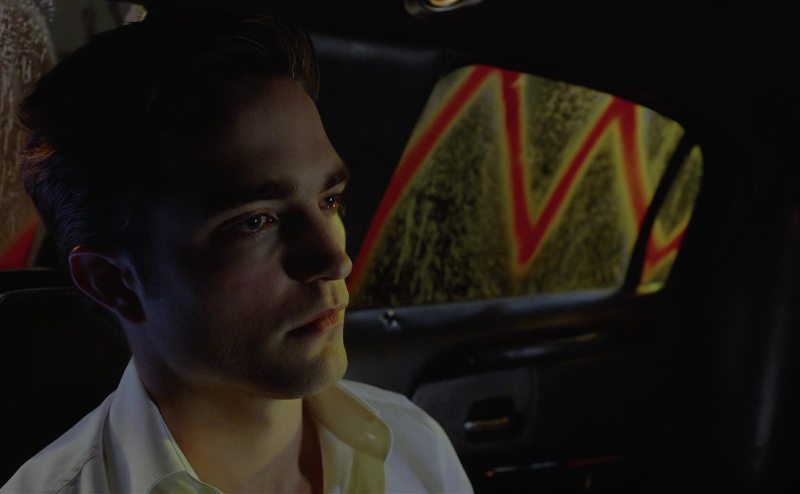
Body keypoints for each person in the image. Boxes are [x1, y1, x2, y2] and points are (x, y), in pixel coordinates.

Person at [1, 13, 473, 494]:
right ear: (113, 281)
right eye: (256, 222)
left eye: (329, 201)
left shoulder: (414, 443)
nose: (335, 261)